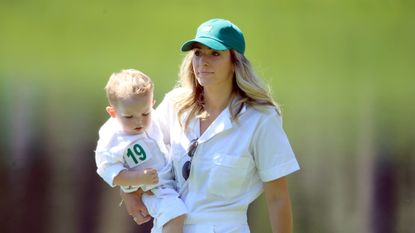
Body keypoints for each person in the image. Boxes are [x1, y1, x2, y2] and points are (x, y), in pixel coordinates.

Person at [122, 18, 300, 233]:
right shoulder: (175, 105)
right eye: (198, 53)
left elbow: (277, 197)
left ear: (235, 62)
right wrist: (129, 193)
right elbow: (136, 152)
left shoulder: (260, 118)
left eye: (215, 53)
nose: (203, 62)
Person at [94, 69, 187, 233]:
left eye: (145, 113)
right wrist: (138, 178)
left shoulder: (155, 119)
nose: (139, 121)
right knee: (175, 213)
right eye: (129, 117)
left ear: (152, 104)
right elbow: (111, 173)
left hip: (169, 179)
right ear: (113, 112)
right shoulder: (113, 139)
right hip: (150, 189)